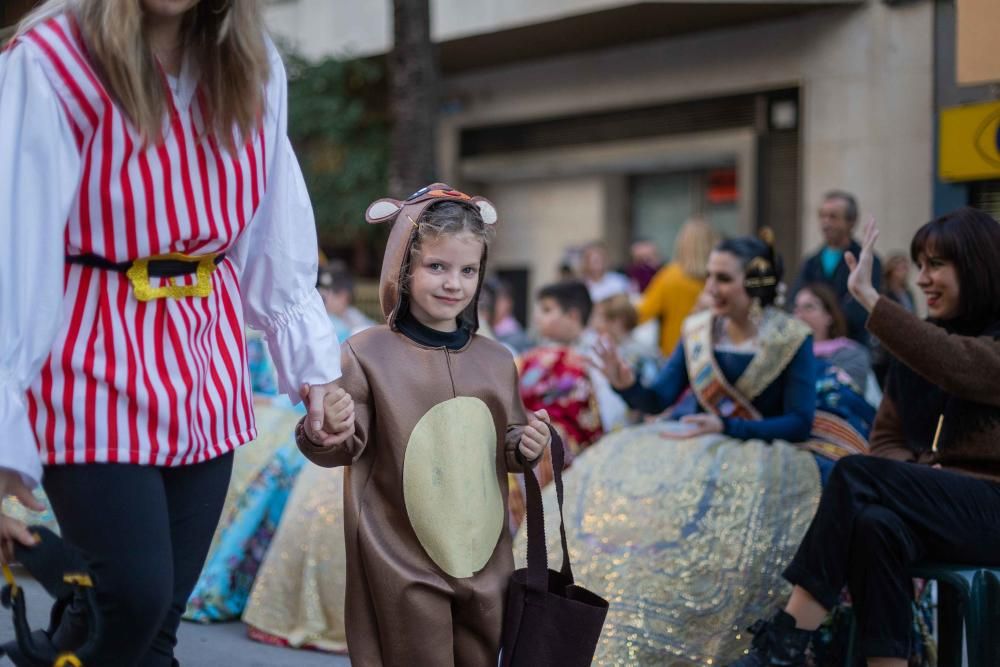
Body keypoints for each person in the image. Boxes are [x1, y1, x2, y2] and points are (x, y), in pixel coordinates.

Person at [0, 1, 348, 664]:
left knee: (156, 618)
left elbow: (275, 224)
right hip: (87, 344)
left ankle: (72, 634)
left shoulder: (253, 63)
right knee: (133, 593)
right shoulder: (51, 58)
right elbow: (11, 244)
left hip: (204, 358)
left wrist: (315, 374)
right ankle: (80, 624)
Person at [520, 235, 868, 665]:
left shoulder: (790, 337)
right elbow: (659, 397)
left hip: (765, 453)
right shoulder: (698, 330)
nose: (713, 288)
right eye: (711, 278)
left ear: (755, 283)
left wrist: (725, 424)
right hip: (693, 445)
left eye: (724, 279)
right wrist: (624, 381)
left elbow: (798, 421)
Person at [294, 184, 551, 665]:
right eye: (437, 267)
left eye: (468, 270)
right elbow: (340, 446)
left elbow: (509, 444)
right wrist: (326, 426)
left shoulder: (497, 359)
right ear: (403, 268)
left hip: (485, 560)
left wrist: (528, 444)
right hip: (402, 561)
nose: (454, 283)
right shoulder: (364, 353)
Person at [733, 208, 1000, 667]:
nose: (922, 279)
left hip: (991, 507)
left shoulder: (959, 343)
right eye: (919, 266)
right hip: (939, 506)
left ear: (977, 265)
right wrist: (919, 473)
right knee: (875, 524)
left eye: (936, 265)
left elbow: (964, 365)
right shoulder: (920, 343)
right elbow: (887, 440)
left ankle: (786, 645)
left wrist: (875, 303)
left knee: (855, 473)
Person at [791, 190, 881, 346]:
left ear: (851, 222)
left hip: (853, 348)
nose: (826, 223)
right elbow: (795, 301)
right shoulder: (810, 262)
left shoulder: (868, 261)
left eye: (833, 217)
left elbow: (863, 309)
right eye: (822, 216)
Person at [637, 218, 718, 356]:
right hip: (710, 352)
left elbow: (642, 313)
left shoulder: (670, 276)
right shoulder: (718, 278)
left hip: (674, 353)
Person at [793, 283, 872, 391]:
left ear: (829, 315)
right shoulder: (786, 355)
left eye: (809, 307)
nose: (800, 315)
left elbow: (850, 394)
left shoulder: (851, 354)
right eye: (797, 308)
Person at [317, 263, 375, 343]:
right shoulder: (317, 318)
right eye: (321, 291)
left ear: (344, 296)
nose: (323, 296)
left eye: (331, 292)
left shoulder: (353, 316)